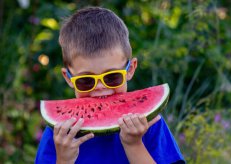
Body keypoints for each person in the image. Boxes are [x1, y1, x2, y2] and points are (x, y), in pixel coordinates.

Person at [35, 7, 185, 164]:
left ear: (130, 69)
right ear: (68, 78)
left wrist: (134, 145)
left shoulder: (150, 124)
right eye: (86, 81)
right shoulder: (59, 135)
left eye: (112, 77)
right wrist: (64, 160)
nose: (100, 87)